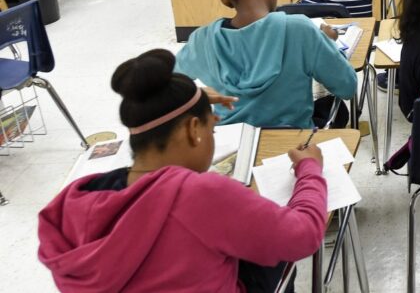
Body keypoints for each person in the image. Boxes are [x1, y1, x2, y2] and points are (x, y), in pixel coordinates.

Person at [38, 49, 327, 293]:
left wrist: (193, 100)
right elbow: (304, 235)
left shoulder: (75, 204)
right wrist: (310, 169)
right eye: (211, 127)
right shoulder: (202, 197)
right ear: (193, 130)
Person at [175, 0, 358, 129]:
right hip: (291, 148)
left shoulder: (201, 40)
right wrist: (326, 43)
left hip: (232, 150)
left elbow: (169, 90)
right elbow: (347, 87)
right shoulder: (300, 30)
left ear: (226, 0)